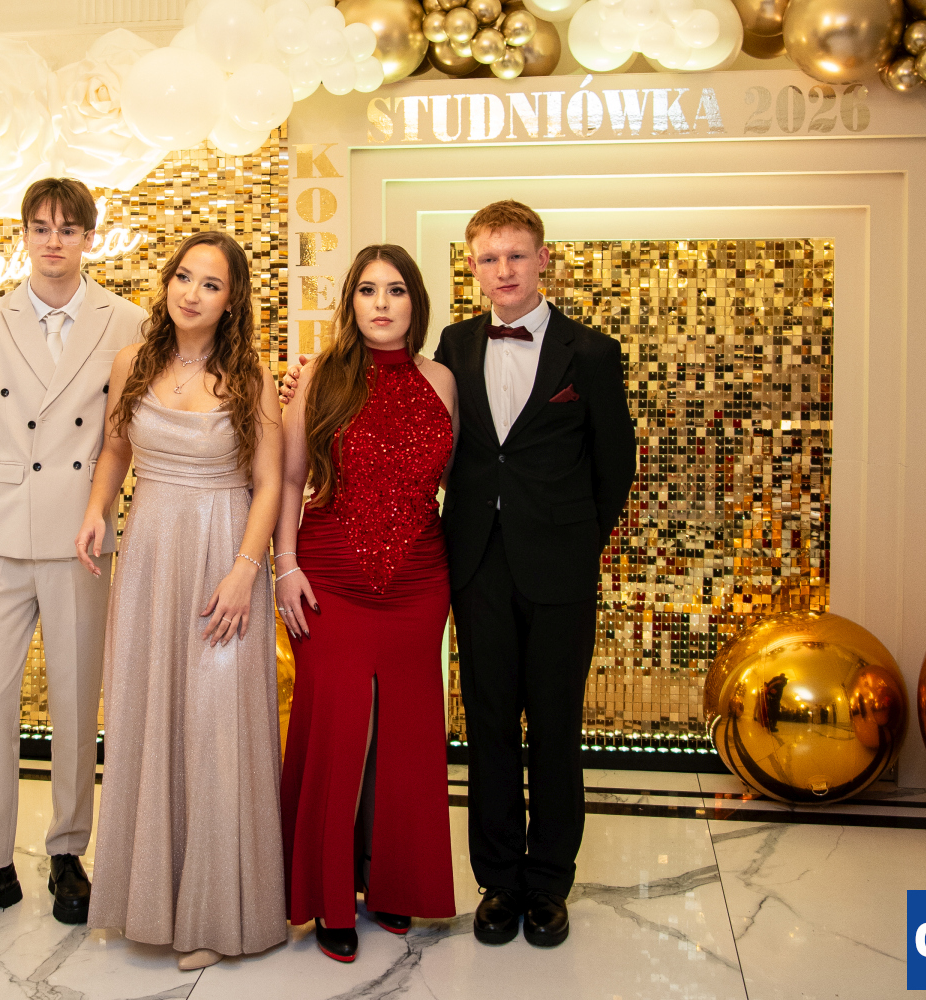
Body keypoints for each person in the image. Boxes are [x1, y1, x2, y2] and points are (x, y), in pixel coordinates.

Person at [280, 200, 635, 949]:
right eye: (489, 258)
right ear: (471, 268)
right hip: (470, 567)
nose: (504, 270)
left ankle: (549, 885)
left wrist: (576, 546)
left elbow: (615, 469)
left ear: (543, 260)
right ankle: (497, 884)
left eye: (517, 255)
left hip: (550, 572)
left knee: (556, 729)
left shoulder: (592, 354)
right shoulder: (455, 349)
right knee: (488, 726)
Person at [0, 177, 148, 935]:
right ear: (23, 235)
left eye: (68, 228)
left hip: (81, 537)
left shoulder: (128, 321)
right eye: (40, 227)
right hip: (0, 538)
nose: (53, 241)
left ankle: (66, 852)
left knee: (75, 701)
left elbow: (130, 434)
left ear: (90, 237)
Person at [76, 231, 286, 972]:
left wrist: (245, 570)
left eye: (211, 284)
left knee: (216, 723)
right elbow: (115, 449)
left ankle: (216, 915)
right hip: (151, 551)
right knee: (149, 713)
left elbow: (270, 483)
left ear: (232, 301)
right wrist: (97, 508)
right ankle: (149, 902)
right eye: (184, 277)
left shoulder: (250, 378)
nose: (191, 293)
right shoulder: (131, 361)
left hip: (224, 547)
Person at [274, 245, 458, 964]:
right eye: (368, 290)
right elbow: (290, 479)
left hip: (419, 582)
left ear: (416, 302)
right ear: (350, 302)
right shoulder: (320, 376)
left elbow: (450, 482)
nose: (382, 303)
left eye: (396, 290)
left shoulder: (441, 380)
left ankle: (393, 882)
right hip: (329, 579)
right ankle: (328, 896)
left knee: (408, 737)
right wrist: (284, 566)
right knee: (336, 732)